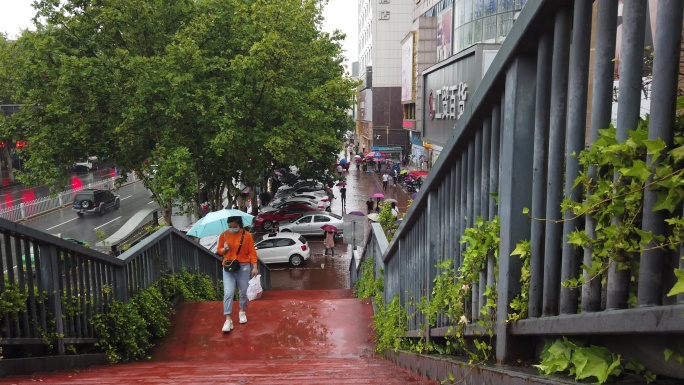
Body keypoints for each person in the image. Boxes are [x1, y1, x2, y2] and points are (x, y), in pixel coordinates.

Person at [217, 216, 259, 333]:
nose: (232, 228)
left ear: (240, 225)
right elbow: (219, 250)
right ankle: (228, 319)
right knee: (228, 293)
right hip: (228, 267)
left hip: (243, 266)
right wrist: (224, 249)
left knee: (243, 291)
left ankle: (242, 311)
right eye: (230, 226)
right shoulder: (224, 235)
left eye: (234, 226)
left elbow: (252, 252)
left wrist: (254, 267)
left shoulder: (247, 236)